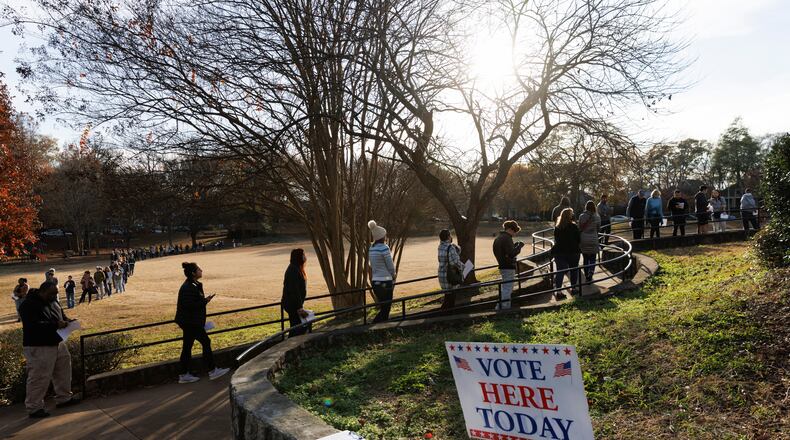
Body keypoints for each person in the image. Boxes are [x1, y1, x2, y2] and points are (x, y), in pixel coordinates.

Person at [19, 281, 80, 418]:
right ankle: (34, 408)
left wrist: (69, 321)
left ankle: (64, 398)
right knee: (39, 377)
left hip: (57, 342)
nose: (54, 296)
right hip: (39, 346)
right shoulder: (28, 305)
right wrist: (55, 324)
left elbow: (61, 317)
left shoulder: (53, 301)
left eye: (56, 294)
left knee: (63, 370)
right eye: (52, 294)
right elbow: (32, 326)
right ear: (43, 291)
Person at [175, 262, 230, 384]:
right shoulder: (189, 287)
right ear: (194, 273)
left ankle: (184, 374)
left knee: (187, 347)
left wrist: (205, 301)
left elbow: (192, 304)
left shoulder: (191, 285)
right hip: (191, 323)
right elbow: (191, 306)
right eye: (199, 269)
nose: (201, 271)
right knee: (205, 342)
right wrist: (205, 301)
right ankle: (212, 371)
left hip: (189, 322)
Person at [368, 220, 397, 322]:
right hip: (385, 281)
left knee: (383, 308)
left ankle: (378, 327)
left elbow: (372, 265)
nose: (386, 237)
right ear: (382, 237)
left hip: (375, 282)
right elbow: (390, 265)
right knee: (386, 309)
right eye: (385, 235)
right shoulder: (384, 248)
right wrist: (393, 275)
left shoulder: (371, 248)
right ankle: (373, 327)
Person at [492, 220, 523, 310]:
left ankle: (500, 306)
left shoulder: (499, 238)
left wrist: (515, 246)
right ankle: (504, 307)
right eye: (514, 231)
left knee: (504, 287)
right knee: (508, 288)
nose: (514, 233)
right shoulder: (506, 238)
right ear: (509, 229)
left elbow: (505, 252)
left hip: (502, 265)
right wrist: (519, 246)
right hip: (508, 266)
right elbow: (511, 253)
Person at [553, 208, 581, 299]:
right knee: (574, 270)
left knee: (560, 271)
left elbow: (556, 239)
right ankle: (573, 288)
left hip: (560, 252)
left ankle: (558, 291)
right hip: (573, 251)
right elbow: (578, 239)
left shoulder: (557, 228)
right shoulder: (574, 227)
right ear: (570, 216)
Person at [282, 249, 310, 337]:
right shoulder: (293, 270)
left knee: (297, 326)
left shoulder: (296, 268)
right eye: (303, 255)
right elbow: (294, 290)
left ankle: (293, 344)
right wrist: (299, 308)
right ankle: (292, 345)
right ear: (298, 257)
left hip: (294, 304)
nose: (305, 257)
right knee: (297, 328)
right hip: (292, 305)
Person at [437, 229, 464, 309]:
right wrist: (463, 266)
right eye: (450, 235)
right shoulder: (450, 247)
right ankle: (447, 315)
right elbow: (454, 262)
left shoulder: (440, 246)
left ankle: (445, 314)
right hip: (450, 276)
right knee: (451, 298)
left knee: (447, 297)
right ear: (448, 237)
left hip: (442, 274)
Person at [578, 201, 601, 283]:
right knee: (592, 258)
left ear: (586, 207)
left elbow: (579, 228)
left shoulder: (581, 216)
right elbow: (598, 228)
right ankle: (591, 272)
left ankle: (586, 273)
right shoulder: (597, 216)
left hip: (584, 239)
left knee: (585, 258)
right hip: (594, 238)